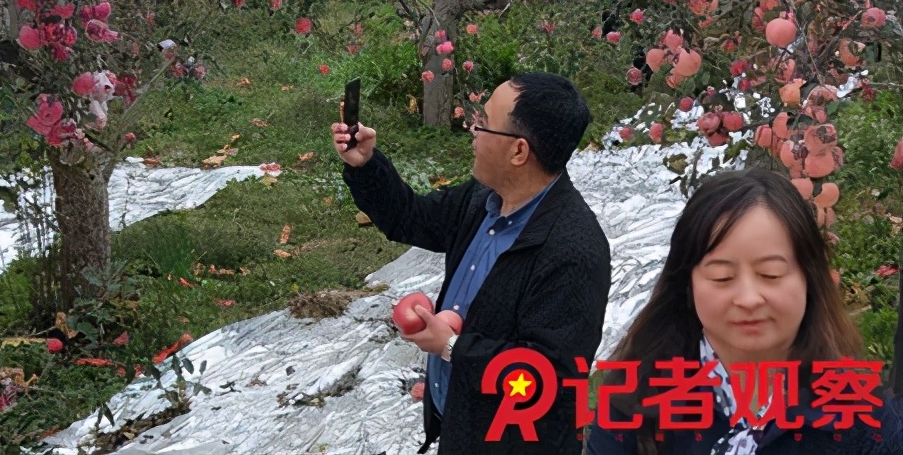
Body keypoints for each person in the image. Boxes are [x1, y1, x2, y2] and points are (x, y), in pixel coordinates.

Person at [333, 72, 612, 454]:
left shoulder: (573, 250)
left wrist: (452, 347)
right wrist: (366, 165)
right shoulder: (483, 200)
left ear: (518, 152)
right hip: (460, 424)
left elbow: (547, 376)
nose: (473, 130)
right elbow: (409, 217)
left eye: (484, 123)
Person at [586, 167, 903, 455]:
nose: (749, 298)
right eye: (722, 277)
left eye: (771, 274)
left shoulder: (862, 420)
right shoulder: (636, 401)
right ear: (687, 284)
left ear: (809, 279)